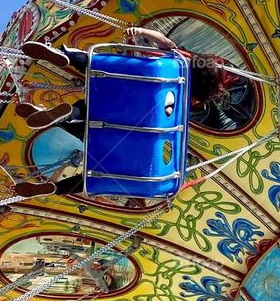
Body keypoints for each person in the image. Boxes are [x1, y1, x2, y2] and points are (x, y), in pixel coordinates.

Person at [13, 27, 239, 198]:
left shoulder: (178, 62)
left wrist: (139, 32)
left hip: (122, 87)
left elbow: (162, 41)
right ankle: (55, 186)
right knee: (91, 157)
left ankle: (67, 62)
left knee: (96, 67)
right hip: (123, 127)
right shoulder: (186, 101)